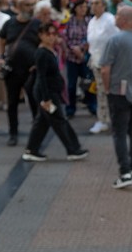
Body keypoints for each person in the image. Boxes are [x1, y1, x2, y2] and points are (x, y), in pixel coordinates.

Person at [100, 6, 132, 189]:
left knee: (119, 132)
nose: (114, 17)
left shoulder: (115, 40)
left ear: (123, 19)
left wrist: (107, 88)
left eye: (117, 15)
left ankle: (125, 172)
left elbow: (105, 68)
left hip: (119, 91)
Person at [21, 23, 88, 162]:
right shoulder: (42, 53)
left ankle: (31, 149)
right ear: (41, 36)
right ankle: (73, 149)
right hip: (48, 94)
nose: (51, 37)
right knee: (59, 120)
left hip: (49, 92)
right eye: (48, 34)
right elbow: (42, 77)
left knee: (43, 122)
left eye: (53, 34)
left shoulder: (50, 51)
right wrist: (46, 99)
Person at [0, 0, 40, 146]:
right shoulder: (10, 24)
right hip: (13, 69)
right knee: (12, 102)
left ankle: (37, 133)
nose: (30, 8)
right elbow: (1, 40)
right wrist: (0, 57)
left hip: (31, 70)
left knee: (34, 101)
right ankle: (13, 133)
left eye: (32, 5)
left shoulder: (37, 24)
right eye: (27, 5)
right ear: (20, 7)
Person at [87, 0, 119, 134]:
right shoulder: (92, 21)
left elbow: (117, 41)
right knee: (100, 92)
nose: (94, 6)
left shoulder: (110, 20)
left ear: (104, 5)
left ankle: (114, 119)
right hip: (96, 61)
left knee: (112, 92)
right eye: (92, 3)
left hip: (110, 63)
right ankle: (102, 119)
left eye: (97, 3)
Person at [63, 0, 96, 118]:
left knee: (88, 81)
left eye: (85, 7)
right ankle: (70, 108)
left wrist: (82, 48)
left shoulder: (90, 21)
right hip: (72, 58)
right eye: (80, 7)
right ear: (75, 8)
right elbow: (65, 38)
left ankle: (92, 105)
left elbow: (92, 37)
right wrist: (73, 48)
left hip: (86, 57)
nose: (83, 9)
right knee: (71, 85)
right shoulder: (69, 21)